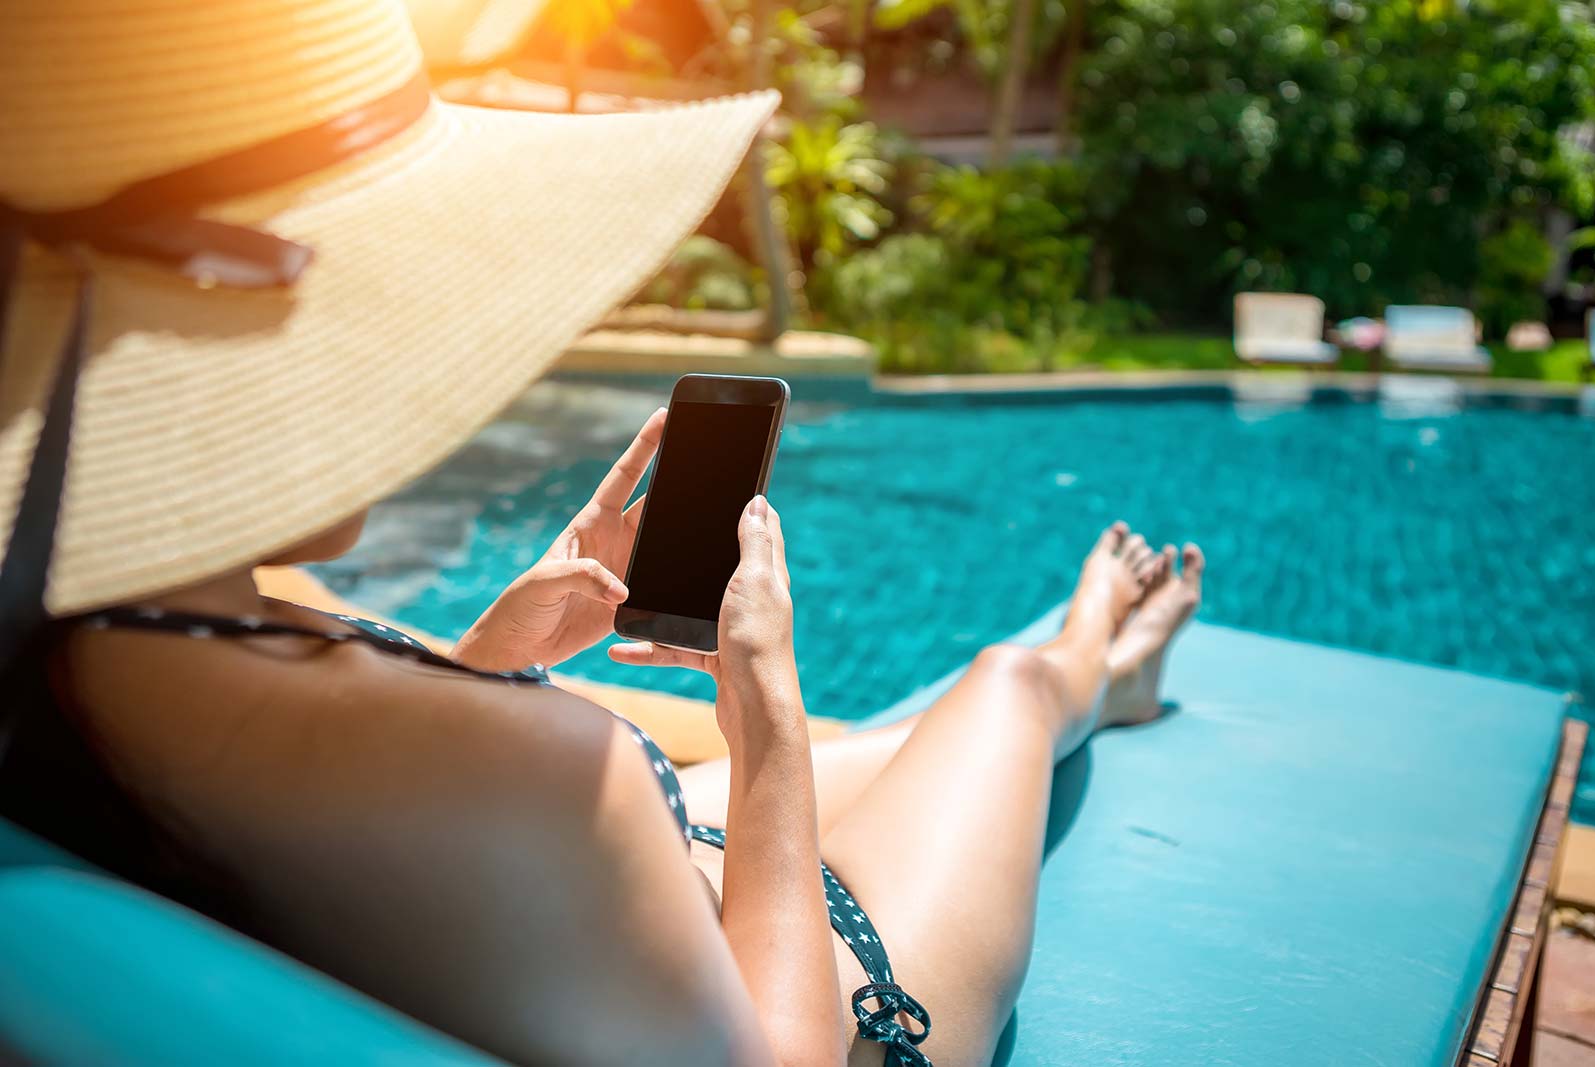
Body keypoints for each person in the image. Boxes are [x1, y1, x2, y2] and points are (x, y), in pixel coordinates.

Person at [0, 2, 1203, 1064]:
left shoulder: (82, 656)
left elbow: (380, 833)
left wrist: (478, 666)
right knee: (1004, 686)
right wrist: (769, 714)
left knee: (909, 741)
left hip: (611, 905)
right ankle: (1096, 665)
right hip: (820, 1006)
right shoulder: (548, 790)